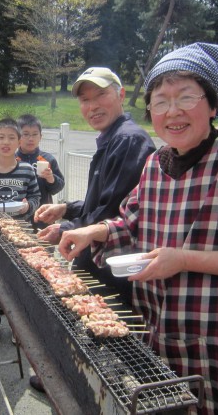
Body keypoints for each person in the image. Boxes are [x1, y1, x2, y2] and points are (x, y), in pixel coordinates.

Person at [58, 43, 218, 414]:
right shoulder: (156, 164)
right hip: (165, 339)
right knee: (173, 408)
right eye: (160, 101)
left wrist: (182, 259)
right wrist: (94, 231)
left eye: (186, 97)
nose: (172, 111)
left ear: (213, 105)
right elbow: (130, 222)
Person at [34, 67, 156, 306]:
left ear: (121, 95)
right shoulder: (113, 138)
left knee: (106, 331)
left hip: (114, 266)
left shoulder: (128, 140)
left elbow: (113, 212)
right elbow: (102, 201)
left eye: (101, 95)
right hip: (99, 258)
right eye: (85, 100)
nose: (93, 106)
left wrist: (65, 229)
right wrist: (66, 209)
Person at [0, 118, 41, 342]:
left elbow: (35, 197)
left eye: (11, 138)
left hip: (22, 233)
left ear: (19, 141)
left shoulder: (26, 170)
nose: (6, 142)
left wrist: (27, 206)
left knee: (22, 277)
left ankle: (19, 324)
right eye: (1, 137)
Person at [15, 114, 65, 229]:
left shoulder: (48, 159)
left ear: (40, 137)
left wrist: (51, 179)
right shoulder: (11, 160)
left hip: (43, 215)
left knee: (45, 245)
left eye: (34, 134)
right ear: (18, 136)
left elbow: (57, 188)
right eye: (25, 134)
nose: (30, 138)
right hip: (18, 217)